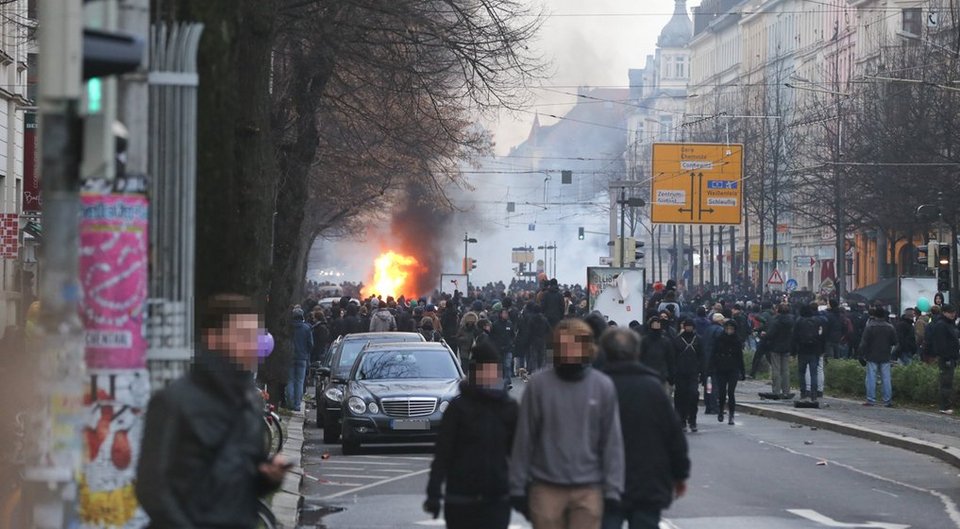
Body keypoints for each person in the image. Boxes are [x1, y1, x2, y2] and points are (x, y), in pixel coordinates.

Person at [137, 294, 289, 528]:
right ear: (212, 338)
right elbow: (152, 489)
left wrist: (268, 477)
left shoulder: (249, 401)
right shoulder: (174, 401)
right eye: (242, 336)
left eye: (254, 337)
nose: (252, 345)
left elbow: (243, 480)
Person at [510, 318, 624, 529]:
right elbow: (525, 438)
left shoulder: (602, 386)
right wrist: (517, 486)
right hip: (546, 486)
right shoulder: (539, 386)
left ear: (587, 348)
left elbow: (612, 442)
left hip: (588, 488)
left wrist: (613, 490)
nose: (570, 350)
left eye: (576, 344)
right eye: (564, 345)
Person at [600, 328, 690, 529]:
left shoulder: (596, 387)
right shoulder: (653, 387)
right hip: (648, 481)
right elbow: (673, 436)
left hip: (604, 480)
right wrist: (680, 474)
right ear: (637, 352)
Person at [424, 342, 519, 529]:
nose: (490, 375)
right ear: (474, 373)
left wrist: (522, 491)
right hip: (461, 497)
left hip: (496, 497)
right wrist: (434, 492)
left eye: (493, 369)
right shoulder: (458, 409)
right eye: (484, 369)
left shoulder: (508, 409)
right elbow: (443, 453)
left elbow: (519, 453)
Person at [858, 307, 898, 407]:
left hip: (871, 355)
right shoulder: (890, 327)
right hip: (885, 355)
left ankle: (871, 399)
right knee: (886, 378)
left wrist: (861, 354)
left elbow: (864, 343)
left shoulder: (870, 327)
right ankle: (887, 400)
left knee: (871, 377)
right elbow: (895, 342)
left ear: (874, 315)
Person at [672, 318, 703, 432]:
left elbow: (702, 357)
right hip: (680, 373)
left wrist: (702, 373)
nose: (689, 328)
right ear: (684, 327)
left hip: (693, 373)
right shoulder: (677, 340)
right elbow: (673, 357)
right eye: (687, 326)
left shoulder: (698, 340)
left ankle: (692, 420)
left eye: (690, 326)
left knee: (693, 395)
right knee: (680, 397)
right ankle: (681, 420)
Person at [712, 320, 745, 424]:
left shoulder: (737, 340)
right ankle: (721, 410)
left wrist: (742, 371)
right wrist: (711, 368)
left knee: (731, 392)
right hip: (721, 368)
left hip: (733, 368)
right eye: (727, 328)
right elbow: (713, 354)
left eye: (731, 329)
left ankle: (731, 415)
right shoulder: (719, 339)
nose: (729, 331)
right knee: (722, 392)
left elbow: (740, 357)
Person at [930, 304, 959, 413]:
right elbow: (941, 344)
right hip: (946, 358)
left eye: (953, 312)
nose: (953, 314)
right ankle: (944, 406)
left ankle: (946, 405)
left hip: (951, 357)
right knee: (946, 382)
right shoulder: (941, 325)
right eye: (950, 312)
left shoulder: (950, 324)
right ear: (944, 312)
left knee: (948, 381)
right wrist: (946, 357)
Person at [793, 304, 824, 403]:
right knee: (813, 373)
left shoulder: (799, 321)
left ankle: (803, 393)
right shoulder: (818, 321)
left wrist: (794, 350)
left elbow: (794, 336)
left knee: (802, 373)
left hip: (802, 350)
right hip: (814, 350)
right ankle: (814, 395)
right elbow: (821, 336)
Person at [764, 303, 795, 399]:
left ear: (778, 311)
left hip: (776, 347)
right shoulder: (792, 321)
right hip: (787, 347)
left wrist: (765, 335)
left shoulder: (776, 321)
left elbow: (770, 334)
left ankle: (776, 390)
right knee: (785, 370)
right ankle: (786, 390)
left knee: (776, 369)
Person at [287, 307, 314, 410]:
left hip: (290, 357)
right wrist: (306, 352)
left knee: (290, 380)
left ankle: (290, 402)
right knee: (299, 381)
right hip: (302, 358)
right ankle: (297, 404)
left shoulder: (289, 328)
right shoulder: (307, 328)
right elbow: (311, 344)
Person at [639, 317, 675, 386]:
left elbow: (670, 360)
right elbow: (640, 358)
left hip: (661, 375)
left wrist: (671, 376)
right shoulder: (644, 341)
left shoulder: (666, 341)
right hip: (648, 374)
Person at [491, 308, 517, 389]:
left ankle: (507, 382)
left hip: (508, 348)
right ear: (500, 314)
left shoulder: (509, 324)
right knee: (499, 366)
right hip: (498, 349)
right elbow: (492, 336)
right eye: (504, 313)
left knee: (507, 365)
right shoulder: (495, 324)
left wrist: (511, 343)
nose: (506, 315)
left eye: (506, 313)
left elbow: (513, 335)